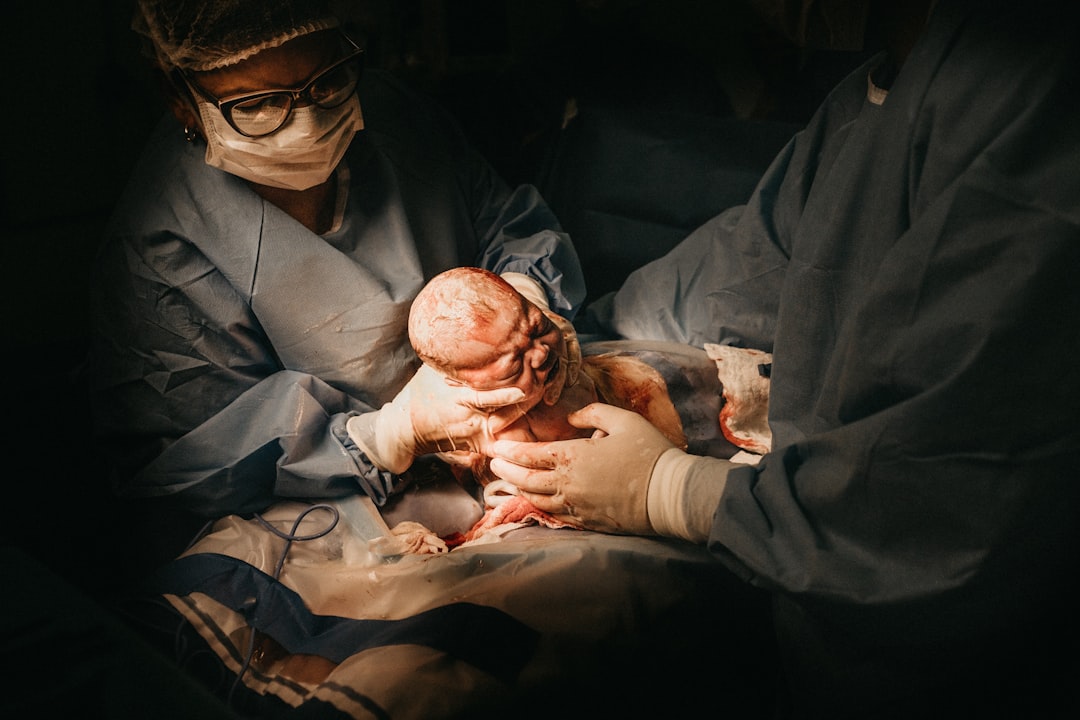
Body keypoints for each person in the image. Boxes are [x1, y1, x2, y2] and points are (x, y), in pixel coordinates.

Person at [489, 0, 1080, 716]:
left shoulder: (1032, 96)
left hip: (961, 660)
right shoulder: (875, 94)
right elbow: (748, 269)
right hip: (822, 637)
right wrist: (559, 341)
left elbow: (945, 496)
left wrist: (670, 490)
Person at [86, 0, 585, 568]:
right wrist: (387, 434)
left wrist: (524, 303)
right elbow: (192, 461)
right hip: (332, 508)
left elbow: (508, 225)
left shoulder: (396, 117)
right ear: (179, 95)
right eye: (259, 105)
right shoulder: (163, 243)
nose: (308, 121)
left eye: (326, 82)